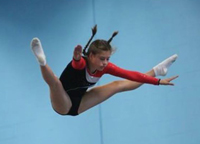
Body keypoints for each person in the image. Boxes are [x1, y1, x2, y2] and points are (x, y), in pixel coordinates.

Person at [31, 25, 178, 116]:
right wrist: (76, 58)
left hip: (81, 102)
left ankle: (158, 69)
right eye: (102, 59)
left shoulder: (106, 67)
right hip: (63, 104)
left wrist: (157, 81)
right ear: (91, 55)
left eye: (108, 58)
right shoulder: (82, 63)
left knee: (117, 85)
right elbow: (77, 63)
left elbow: (132, 75)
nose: (105, 63)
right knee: (55, 84)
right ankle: (42, 61)